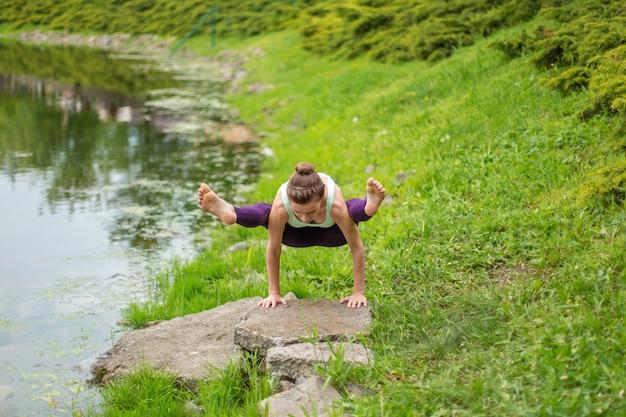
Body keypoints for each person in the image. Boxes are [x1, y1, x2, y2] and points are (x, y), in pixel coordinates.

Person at [197, 162, 386, 309]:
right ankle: (231, 211)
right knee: (266, 213)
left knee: (351, 211)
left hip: (334, 235)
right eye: (298, 212)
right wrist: (274, 293)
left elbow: (356, 247)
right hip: (294, 236)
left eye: (311, 211)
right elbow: (273, 250)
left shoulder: (334, 204)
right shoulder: (282, 205)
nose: (304, 218)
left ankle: (368, 206)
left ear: (321, 199)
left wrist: (358, 292)